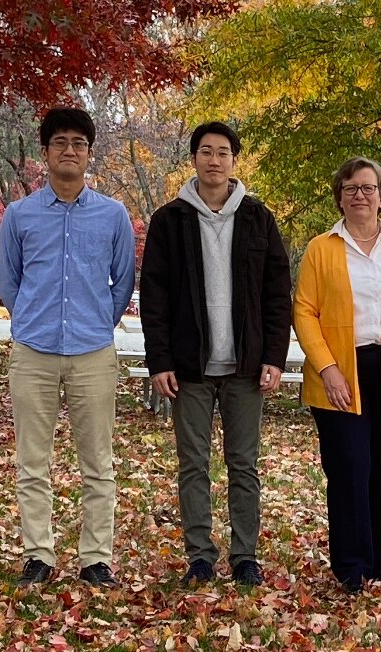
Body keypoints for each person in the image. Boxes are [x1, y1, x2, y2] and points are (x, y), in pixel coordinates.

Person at [140, 122, 292, 587]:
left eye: (223, 152)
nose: (214, 159)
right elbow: (155, 295)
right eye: (205, 151)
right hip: (189, 368)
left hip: (246, 365)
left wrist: (274, 354)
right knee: (194, 464)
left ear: (234, 161)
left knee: (244, 464)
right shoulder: (171, 219)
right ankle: (200, 555)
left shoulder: (257, 217)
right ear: (194, 159)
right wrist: (160, 360)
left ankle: (245, 555)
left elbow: (276, 291)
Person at [0, 107, 136, 588]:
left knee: (97, 462)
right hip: (33, 352)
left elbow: (122, 284)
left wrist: (98, 322)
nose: (70, 150)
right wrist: (31, 323)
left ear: (90, 153)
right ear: (45, 152)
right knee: (32, 461)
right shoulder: (19, 215)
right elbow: (9, 282)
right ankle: (38, 554)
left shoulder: (113, 215)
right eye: (60, 142)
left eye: (79, 142)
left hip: (93, 353)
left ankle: (96, 558)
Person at [293, 156, 381, 594]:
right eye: (351, 187)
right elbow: (305, 312)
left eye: (368, 188)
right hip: (338, 375)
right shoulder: (321, 248)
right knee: (349, 468)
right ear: (339, 196)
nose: (360, 195)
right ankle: (351, 566)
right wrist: (328, 368)